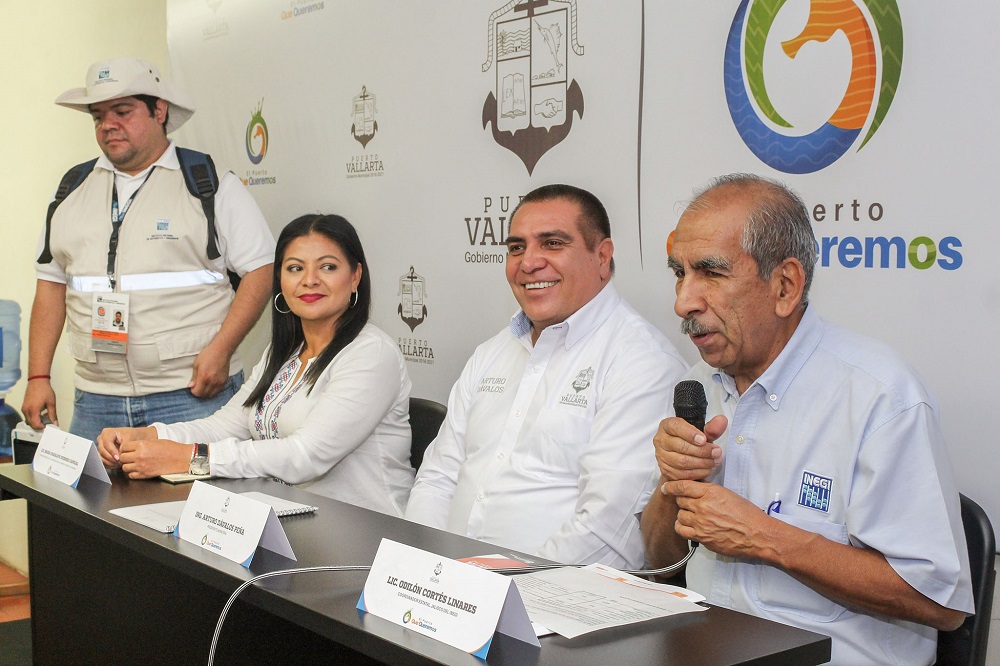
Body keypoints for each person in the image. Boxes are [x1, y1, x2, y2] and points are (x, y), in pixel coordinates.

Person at [640, 173, 973, 664]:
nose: (683, 301)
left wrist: (764, 537)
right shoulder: (698, 383)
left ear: (785, 286)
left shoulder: (880, 396)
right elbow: (660, 559)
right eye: (679, 273)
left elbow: (940, 603)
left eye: (711, 273)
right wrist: (673, 483)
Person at [405, 184, 688, 568]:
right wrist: (423, 571)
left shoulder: (642, 362)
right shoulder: (491, 353)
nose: (528, 262)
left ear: (602, 256)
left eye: (552, 244)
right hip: (449, 588)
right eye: (516, 247)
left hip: (555, 599)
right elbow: (437, 479)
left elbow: (607, 533)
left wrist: (491, 590)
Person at [22, 57, 275, 441]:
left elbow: (261, 269)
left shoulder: (208, 184)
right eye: (98, 116)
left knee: (198, 485)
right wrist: (38, 376)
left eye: (122, 112)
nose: (108, 125)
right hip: (96, 400)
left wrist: (222, 350)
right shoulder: (72, 188)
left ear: (160, 111)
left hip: (192, 395)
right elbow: (51, 284)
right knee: (89, 486)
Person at [97, 214, 414, 516]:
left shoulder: (371, 353)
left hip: (366, 532)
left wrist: (192, 458)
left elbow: (306, 456)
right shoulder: (286, 352)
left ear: (355, 276)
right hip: (290, 519)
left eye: (328, 267)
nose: (309, 280)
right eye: (295, 268)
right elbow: (223, 427)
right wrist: (148, 436)